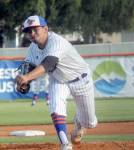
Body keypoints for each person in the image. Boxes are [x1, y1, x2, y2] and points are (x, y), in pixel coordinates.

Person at [16, 15, 97, 150]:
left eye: (35, 29)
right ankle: (65, 144)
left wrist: (28, 77)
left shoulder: (56, 42)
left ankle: (79, 124)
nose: (32, 33)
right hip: (58, 80)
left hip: (81, 79)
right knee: (55, 109)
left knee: (89, 122)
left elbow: (49, 63)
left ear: (46, 28)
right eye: (28, 31)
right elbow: (29, 67)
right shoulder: (32, 48)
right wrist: (24, 84)